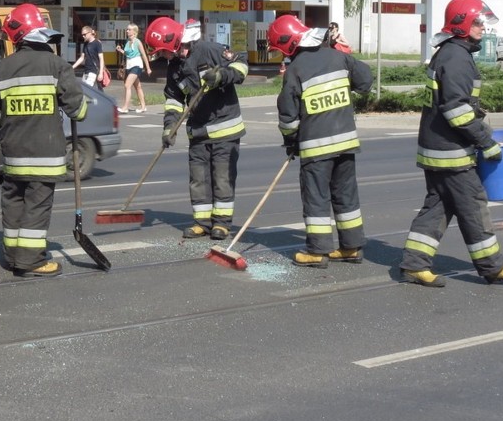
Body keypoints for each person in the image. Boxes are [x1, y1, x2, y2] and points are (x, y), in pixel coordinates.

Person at [400, 0, 503, 287]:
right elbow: (457, 111)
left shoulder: (450, 52)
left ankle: (413, 265)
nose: (483, 28)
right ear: (460, 25)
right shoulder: (456, 58)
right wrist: (486, 142)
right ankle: (493, 267)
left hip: (436, 148)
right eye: (477, 22)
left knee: (437, 207)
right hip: (451, 152)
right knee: (473, 206)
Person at [0, 3, 88, 278]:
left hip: (14, 153)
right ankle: (31, 261)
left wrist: (8, 125)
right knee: (36, 207)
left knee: (13, 203)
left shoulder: (2, 68)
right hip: (46, 155)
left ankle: (13, 257)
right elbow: (79, 110)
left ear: (16, 37)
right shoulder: (57, 65)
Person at [268, 14, 373, 268]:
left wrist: (291, 141)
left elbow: (288, 116)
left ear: (289, 43)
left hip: (316, 148)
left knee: (316, 197)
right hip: (346, 144)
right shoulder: (338, 56)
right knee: (346, 195)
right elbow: (365, 81)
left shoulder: (295, 70)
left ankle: (317, 251)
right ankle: (351, 247)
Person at [146, 17, 248, 240]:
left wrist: (222, 75)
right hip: (198, 133)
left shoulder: (209, 50)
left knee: (222, 179)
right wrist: (168, 129)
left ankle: (221, 223)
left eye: (162, 51)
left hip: (225, 131)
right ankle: (202, 222)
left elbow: (241, 65)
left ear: (173, 43)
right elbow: (173, 100)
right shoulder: (174, 68)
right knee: (198, 179)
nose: (162, 56)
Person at [115, 22, 152, 113]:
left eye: (129, 29)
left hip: (136, 64)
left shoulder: (138, 42)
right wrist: (120, 50)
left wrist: (148, 68)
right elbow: (128, 54)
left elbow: (144, 55)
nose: (127, 31)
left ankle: (125, 107)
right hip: (129, 65)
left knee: (127, 85)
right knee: (138, 87)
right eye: (127, 29)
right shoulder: (127, 42)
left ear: (134, 32)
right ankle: (143, 107)